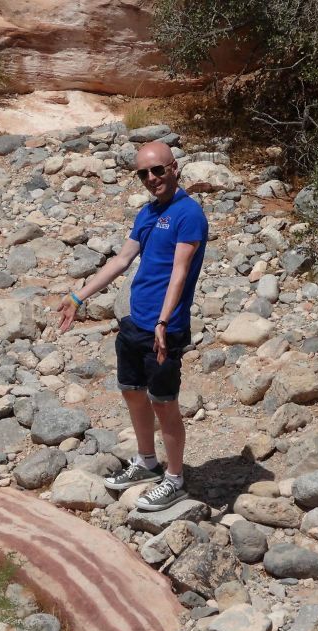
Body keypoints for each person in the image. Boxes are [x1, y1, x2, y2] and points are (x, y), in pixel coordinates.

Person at [58, 140, 208, 511]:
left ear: (174, 168)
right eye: (143, 173)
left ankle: (175, 479)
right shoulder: (147, 213)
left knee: (164, 403)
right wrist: (78, 296)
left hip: (164, 329)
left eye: (157, 170)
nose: (151, 178)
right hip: (135, 321)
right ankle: (147, 462)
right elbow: (122, 260)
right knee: (133, 392)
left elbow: (180, 272)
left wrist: (163, 320)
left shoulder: (188, 214)